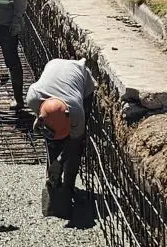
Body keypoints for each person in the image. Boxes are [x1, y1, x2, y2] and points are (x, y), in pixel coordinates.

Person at [26, 58, 95, 218]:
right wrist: (54, 162)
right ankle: (54, 182)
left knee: (75, 150)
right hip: (54, 66)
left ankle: (68, 188)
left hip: (81, 77)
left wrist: (61, 159)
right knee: (52, 142)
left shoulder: (76, 111)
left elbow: (75, 141)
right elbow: (46, 127)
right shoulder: (33, 98)